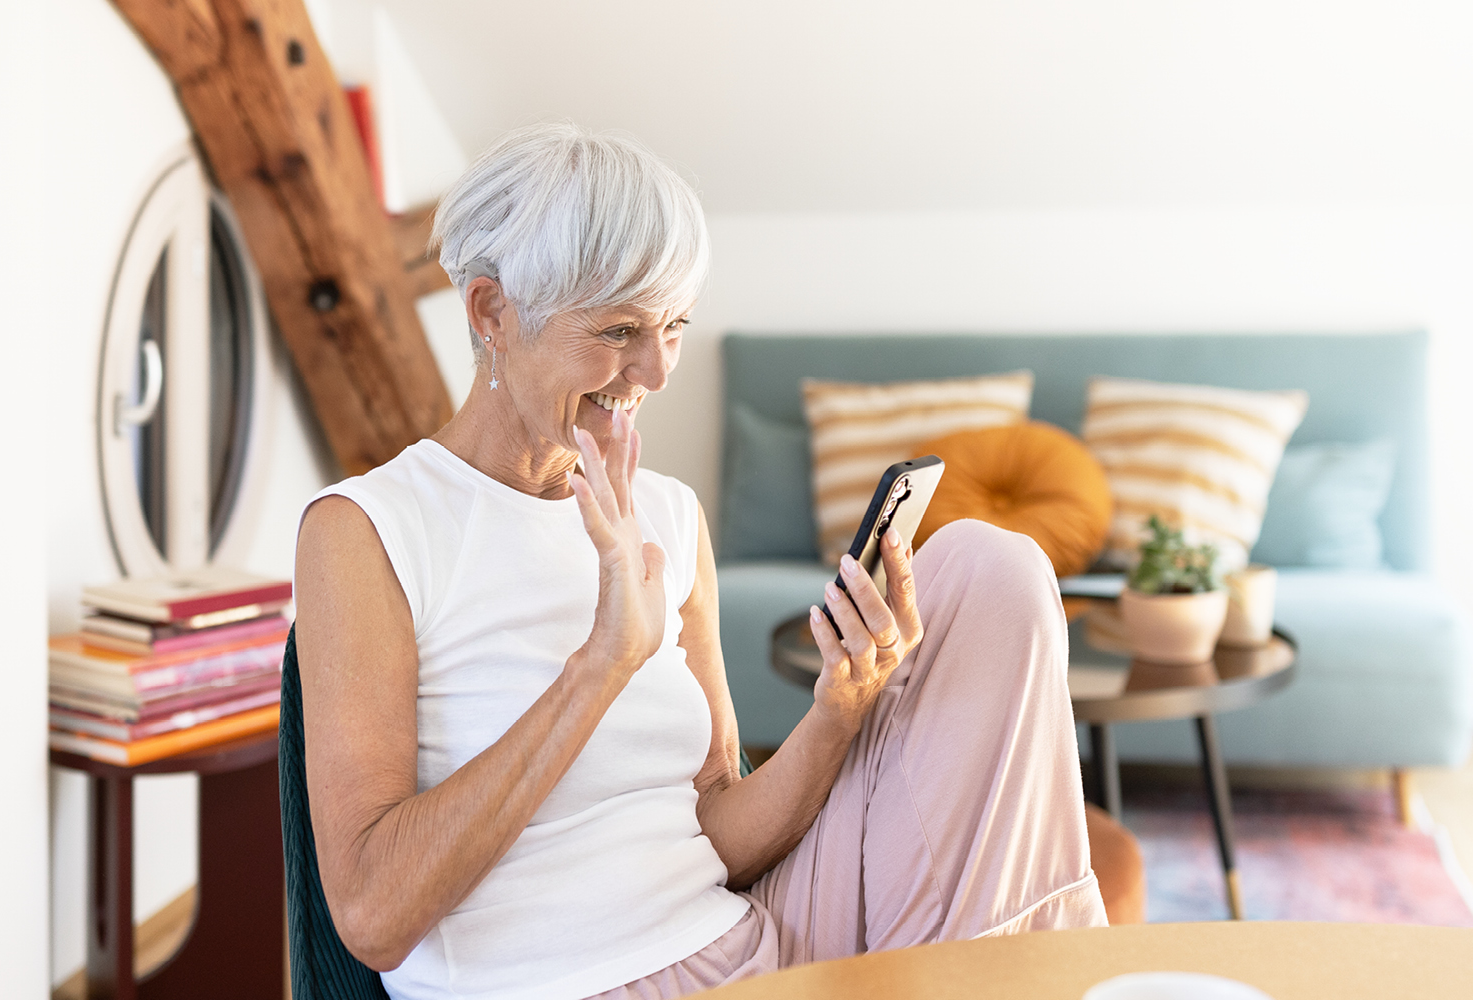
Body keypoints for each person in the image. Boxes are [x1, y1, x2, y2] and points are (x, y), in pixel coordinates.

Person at [293, 122, 1104, 1000]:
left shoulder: (671, 515)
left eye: (674, 324)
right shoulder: (368, 530)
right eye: (619, 329)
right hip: (576, 983)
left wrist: (841, 707)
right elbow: (371, 917)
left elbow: (718, 825)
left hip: (746, 942)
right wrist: (601, 665)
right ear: (492, 313)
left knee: (994, 573)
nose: (657, 367)